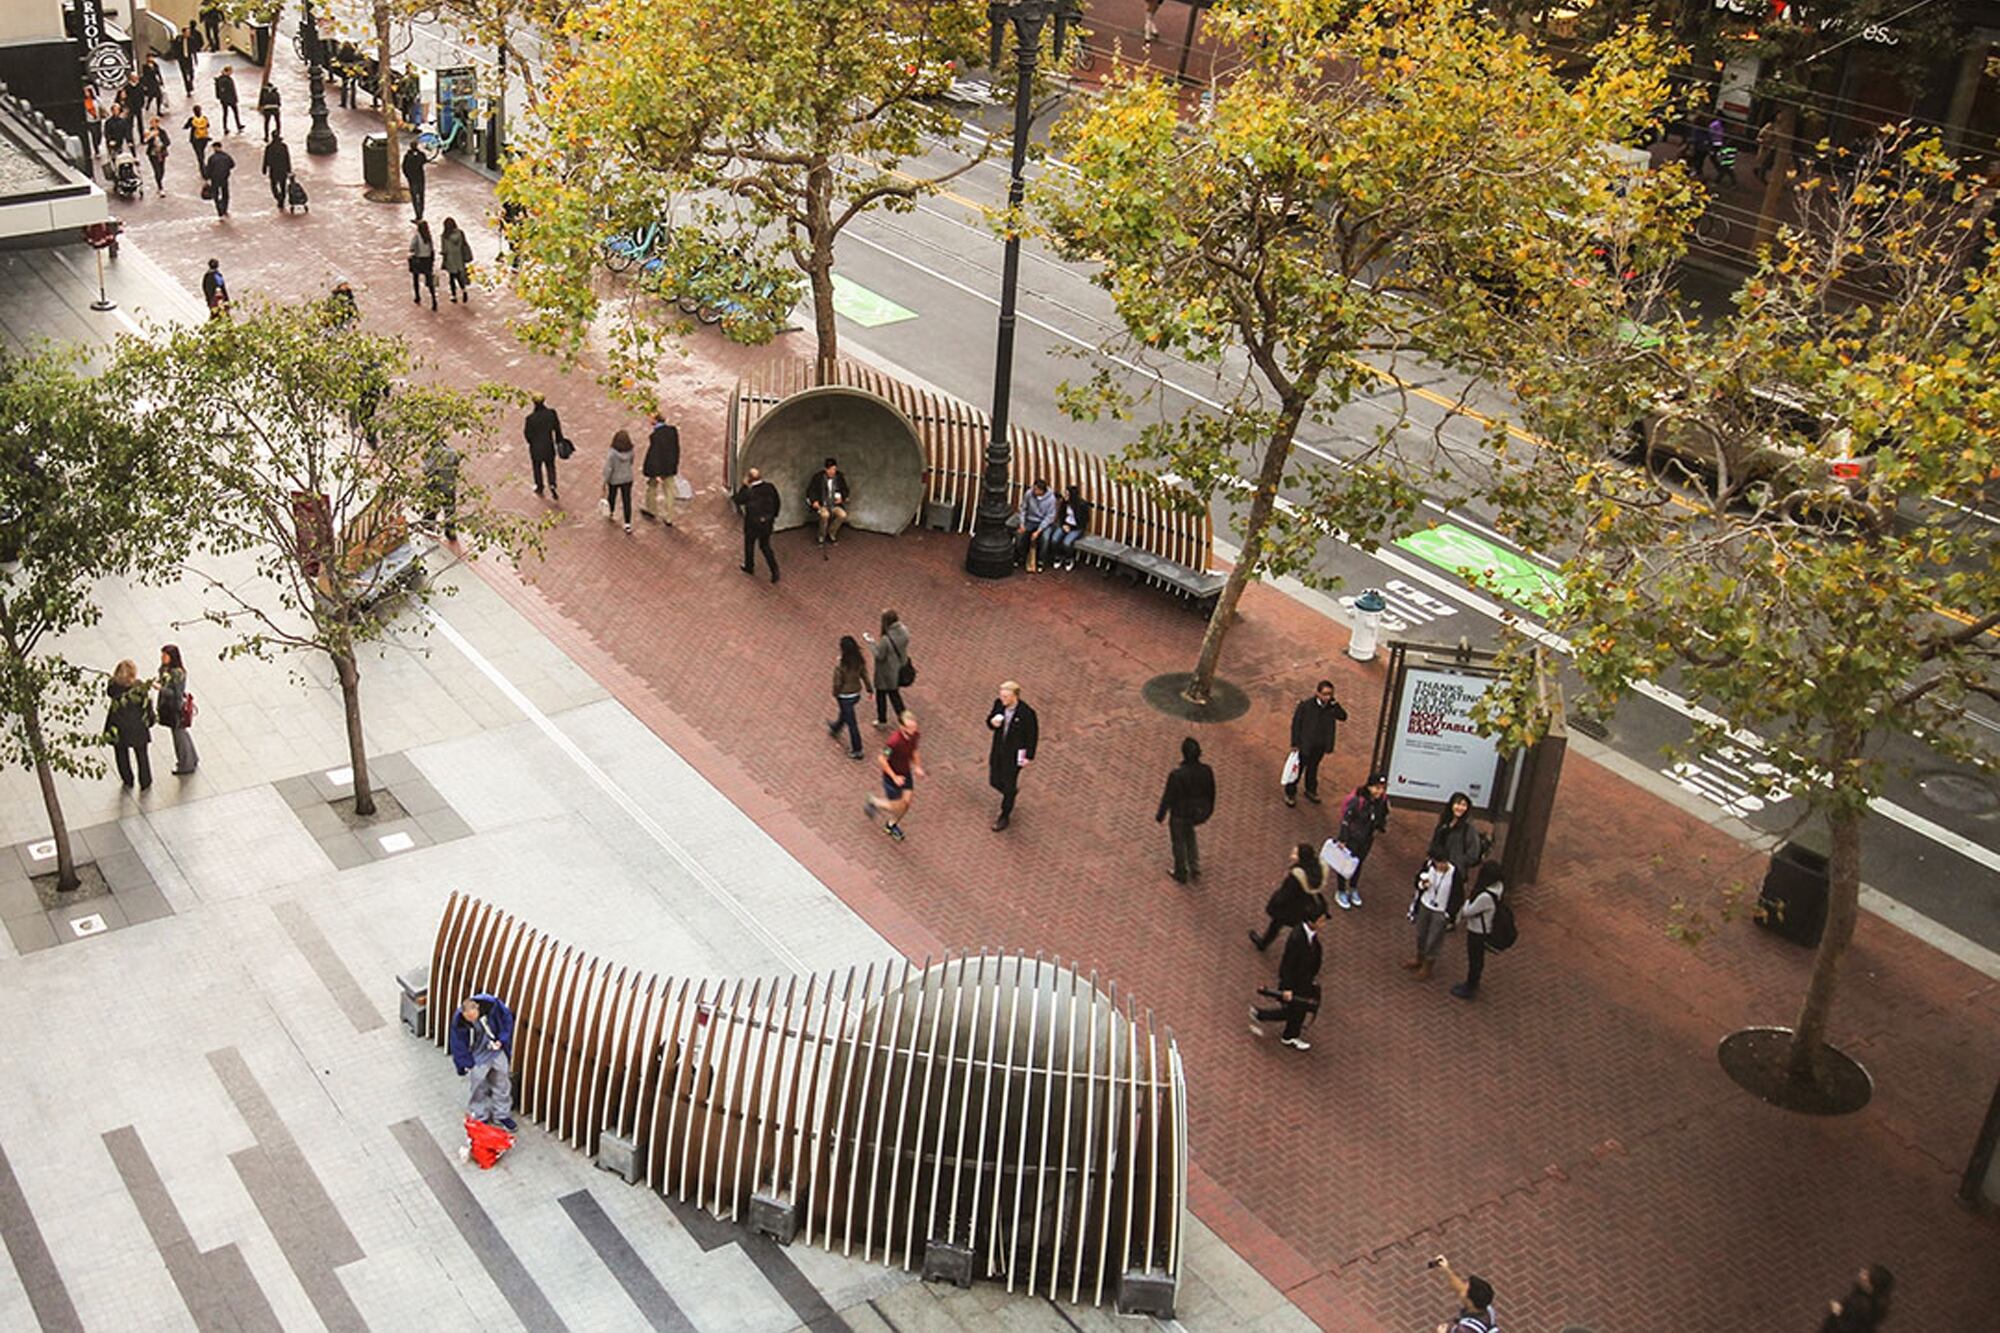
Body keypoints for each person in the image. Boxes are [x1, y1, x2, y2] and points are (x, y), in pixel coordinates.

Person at [1249, 899, 1325, 1051]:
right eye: (1321, 920)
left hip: (1304, 981)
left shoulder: (1309, 935)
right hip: (1296, 983)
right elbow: (1288, 965)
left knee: (1295, 1010)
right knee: (1296, 1010)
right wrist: (1287, 988)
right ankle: (1286, 1033)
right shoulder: (1297, 938)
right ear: (1311, 921)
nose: (1323, 923)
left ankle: (1266, 1019)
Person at [448, 994, 518, 1131]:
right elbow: (458, 1042)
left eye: (473, 1017)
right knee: (478, 1087)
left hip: (496, 1051)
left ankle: (502, 1115)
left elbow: (507, 1021)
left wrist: (502, 1040)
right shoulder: (460, 1020)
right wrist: (464, 1063)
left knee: (502, 1084)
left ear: (478, 1008)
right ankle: (480, 1115)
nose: (472, 1021)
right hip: (477, 1056)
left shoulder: (494, 1006)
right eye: (468, 1019)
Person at [1156, 737, 1215, 884]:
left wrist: (1161, 815)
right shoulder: (1206, 771)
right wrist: (1207, 810)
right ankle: (1194, 866)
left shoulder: (1177, 775)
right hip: (1197, 812)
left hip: (1180, 813)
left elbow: (1168, 797)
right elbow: (1211, 793)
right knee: (1190, 834)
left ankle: (1181, 871)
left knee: (1178, 841)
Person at [1283, 679, 1348, 807]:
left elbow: (1343, 717)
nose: (1327, 697)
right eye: (1325, 694)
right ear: (1317, 693)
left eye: (1330, 694)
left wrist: (1336, 705)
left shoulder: (1332, 707)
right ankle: (1290, 793)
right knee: (1297, 769)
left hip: (1320, 745)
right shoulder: (1306, 706)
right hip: (1305, 745)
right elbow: (1296, 724)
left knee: (1313, 768)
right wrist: (1295, 743)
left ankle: (1310, 790)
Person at [1250, 842, 1327, 950]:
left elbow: (1286, 894)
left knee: (1276, 925)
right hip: (1306, 906)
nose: (1292, 855)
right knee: (1302, 930)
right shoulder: (1317, 869)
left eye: (1295, 854)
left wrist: (1275, 901)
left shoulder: (1297, 876)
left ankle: (1263, 944)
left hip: (1290, 906)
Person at [1329, 773, 1390, 909]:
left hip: (1367, 838)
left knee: (1358, 863)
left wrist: (1379, 827)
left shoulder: (1382, 800)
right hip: (1352, 838)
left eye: (1382, 788)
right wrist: (1343, 839)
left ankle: (1353, 888)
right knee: (1344, 863)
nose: (1380, 791)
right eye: (1377, 788)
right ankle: (1341, 890)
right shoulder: (1358, 800)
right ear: (1369, 787)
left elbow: (1383, 815)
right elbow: (1346, 820)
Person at [985, 680, 1038, 832]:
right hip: (998, 750)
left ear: (1014, 696)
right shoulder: (999, 705)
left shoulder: (1026, 713)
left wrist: (1028, 756)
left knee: (1009, 783)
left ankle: (1005, 814)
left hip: (1014, 755)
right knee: (994, 780)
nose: (1002, 699)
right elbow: (989, 721)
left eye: (1005, 697)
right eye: (1001, 696)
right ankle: (1011, 793)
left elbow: (1032, 736)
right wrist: (992, 723)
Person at [865, 710, 925, 842]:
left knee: (906, 804)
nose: (913, 730)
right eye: (910, 727)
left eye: (914, 727)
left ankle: (891, 824)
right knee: (899, 805)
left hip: (905, 773)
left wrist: (917, 766)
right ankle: (874, 802)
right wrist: (894, 777)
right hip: (892, 777)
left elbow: (914, 750)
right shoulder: (894, 742)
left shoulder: (915, 735)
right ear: (902, 727)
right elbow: (882, 759)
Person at [1452, 863, 1504, 1000]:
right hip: (1485, 929)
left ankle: (1470, 986)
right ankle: (1473, 982)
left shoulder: (1485, 897)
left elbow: (1467, 911)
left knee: (1474, 958)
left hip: (1478, 931)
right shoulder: (1498, 888)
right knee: (1477, 958)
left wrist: (1467, 901)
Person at [1427, 791, 1482, 913]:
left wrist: (1459, 862)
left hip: (1455, 873)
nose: (1460, 808)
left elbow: (1474, 853)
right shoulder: (1444, 822)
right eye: (1457, 804)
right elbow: (1435, 841)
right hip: (1437, 867)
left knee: (1450, 904)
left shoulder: (1468, 828)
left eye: (1464, 805)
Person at [104, 660, 155, 791]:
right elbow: (146, 705)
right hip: (137, 726)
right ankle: (145, 780)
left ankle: (127, 779)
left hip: (118, 726)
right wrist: (151, 719)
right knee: (142, 755)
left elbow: (109, 692)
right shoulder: (139, 687)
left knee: (121, 754)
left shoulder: (113, 686)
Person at [1405, 853, 1456, 980]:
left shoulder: (1454, 874)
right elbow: (1417, 882)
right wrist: (1422, 885)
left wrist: (1448, 914)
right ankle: (1419, 958)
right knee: (1421, 934)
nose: (1440, 866)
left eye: (1443, 863)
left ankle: (1428, 966)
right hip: (1426, 904)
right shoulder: (1429, 867)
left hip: (1440, 910)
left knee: (1434, 939)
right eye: (1437, 863)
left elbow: (1457, 895)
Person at [155, 644, 198, 775]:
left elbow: (176, 694)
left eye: (165, 655)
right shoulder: (165, 669)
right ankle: (192, 758)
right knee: (182, 733)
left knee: (179, 736)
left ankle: (185, 764)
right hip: (170, 708)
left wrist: (160, 688)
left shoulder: (177, 673)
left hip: (175, 709)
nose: (162, 657)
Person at [827, 635, 872, 760]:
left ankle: (858, 750)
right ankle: (835, 728)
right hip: (855, 694)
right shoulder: (859, 661)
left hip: (844, 695)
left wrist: (835, 693)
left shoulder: (841, 664)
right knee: (846, 713)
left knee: (852, 723)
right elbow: (865, 675)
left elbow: (837, 682)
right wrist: (869, 689)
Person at [733, 466, 781, 582]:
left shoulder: (749, 492)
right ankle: (774, 570)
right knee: (765, 546)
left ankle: (749, 566)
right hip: (767, 523)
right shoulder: (770, 487)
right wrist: (773, 517)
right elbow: (777, 502)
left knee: (749, 544)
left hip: (752, 524)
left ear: (749, 479)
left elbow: (737, 499)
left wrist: (744, 486)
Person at [1430, 1257, 1498, 1333]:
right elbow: (1460, 1288)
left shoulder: (1465, 1330)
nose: (1461, 1288)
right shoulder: (1487, 1308)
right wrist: (1446, 1270)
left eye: (1464, 1290)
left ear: (1470, 1301)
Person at [1820, 1263, 1893, 1332]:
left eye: (1865, 1275)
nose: (1862, 1271)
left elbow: (1847, 1328)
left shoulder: (1858, 1304)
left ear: (1870, 1287)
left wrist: (1837, 1312)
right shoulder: (1880, 1302)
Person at [869, 610, 911, 726]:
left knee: (881, 696)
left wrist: (871, 643)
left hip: (885, 673)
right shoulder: (904, 631)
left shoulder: (886, 639)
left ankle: (882, 720)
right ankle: (905, 719)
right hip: (898, 668)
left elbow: (880, 655)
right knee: (894, 695)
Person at [640, 409, 679, 525]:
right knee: (669, 491)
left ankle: (652, 509)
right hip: (670, 467)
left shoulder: (656, 436)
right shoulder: (672, 431)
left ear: (655, 420)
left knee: (651, 487)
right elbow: (676, 450)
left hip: (658, 468)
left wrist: (657, 473)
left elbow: (655, 455)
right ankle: (669, 517)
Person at [1011, 478, 1058, 569]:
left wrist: (1038, 531)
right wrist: (1022, 524)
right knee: (1020, 536)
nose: (1034, 491)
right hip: (1030, 520)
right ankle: (1021, 557)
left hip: (1043, 523)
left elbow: (1049, 517)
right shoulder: (1029, 494)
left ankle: (1041, 561)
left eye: (1036, 489)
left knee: (1045, 538)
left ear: (1042, 491)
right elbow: (1023, 509)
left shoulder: (1051, 499)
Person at [523, 394, 563, 500]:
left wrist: (532, 442)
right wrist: (559, 440)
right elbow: (557, 428)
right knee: (550, 465)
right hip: (549, 445)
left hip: (536, 448)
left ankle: (539, 486)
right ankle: (552, 483)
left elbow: (527, 435)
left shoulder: (530, 419)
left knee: (537, 467)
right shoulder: (551, 413)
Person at [805, 456, 850, 545]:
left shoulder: (839, 477)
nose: (833, 472)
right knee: (825, 515)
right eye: (831, 469)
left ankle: (831, 533)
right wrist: (814, 501)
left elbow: (845, 489)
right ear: (826, 469)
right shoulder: (818, 477)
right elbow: (811, 490)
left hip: (834, 504)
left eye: (834, 469)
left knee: (843, 515)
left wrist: (842, 498)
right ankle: (821, 537)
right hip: (823, 504)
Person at [1047, 484, 1090, 569]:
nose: (1065, 496)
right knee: (1054, 539)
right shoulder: (1064, 503)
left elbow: (1084, 521)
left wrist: (1071, 528)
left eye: (1067, 494)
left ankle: (1069, 559)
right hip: (1065, 524)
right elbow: (1061, 515)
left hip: (1076, 528)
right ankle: (1057, 557)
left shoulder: (1082, 505)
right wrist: (1063, 524)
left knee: (1067, 543)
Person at [425, 442, 460, 541]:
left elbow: (427, 470)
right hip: (449, 486)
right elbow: (456, 469)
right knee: (450, 511)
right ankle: (450, 533)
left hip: (435, 487)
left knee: (431, 509)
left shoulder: (433, 453)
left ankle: (428, 527)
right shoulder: (453, 453)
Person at [603, 429, 635, 532]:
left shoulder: (612, 452)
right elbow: (631, 461)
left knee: (612, 495)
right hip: (627, 478)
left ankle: (611, 512)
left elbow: (609, 468)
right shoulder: (631, 450)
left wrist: (605, 480)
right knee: (627, 500)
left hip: (614, 479)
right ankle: (627, 523)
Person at [438, 217, 473, 303]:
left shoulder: (445, 236)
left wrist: (443, 256)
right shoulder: (460, 233)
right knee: (459, 276)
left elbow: (444, 249)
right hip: (459, 258)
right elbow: (464, 244)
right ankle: (464, 290)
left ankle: (453, 295)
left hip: (450, 259)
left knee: (452, 278)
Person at [408, 219, 438, 309]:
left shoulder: (417, 236)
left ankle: (417, 297)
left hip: (418, 260)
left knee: (415, 279)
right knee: (430, 280)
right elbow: (432, 249)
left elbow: (411, 247)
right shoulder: (428, 236)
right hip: (428, 260)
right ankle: (434, 299)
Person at [201, 141, 234, 218]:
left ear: (214, 148)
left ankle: (219, 211)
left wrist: (206, 178)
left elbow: (208, 170)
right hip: (224, 178)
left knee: (216, 195)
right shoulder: (226, 156)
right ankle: (225, 209)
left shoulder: (212, 158)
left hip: (214, 179)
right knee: (225, 194)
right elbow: (232, 165)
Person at [260, 130, 290, 210]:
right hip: (283, 169)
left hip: (273, 169)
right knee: (283, 186)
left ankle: (278, 197)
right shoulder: (283, 146)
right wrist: (289, 169)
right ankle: (282, 199)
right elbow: (287, 158)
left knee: (273, 185)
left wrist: (264, 168)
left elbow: (266, 159)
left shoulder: (269, 147)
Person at [143, 117, 170, 196]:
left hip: (161, 153)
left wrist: (162, 145)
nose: (154, 124)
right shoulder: (148, 132)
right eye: (152, 123)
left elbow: (167, 142)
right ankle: (160, 187)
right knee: (157, 170)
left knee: (162, 170)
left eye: (155, 122)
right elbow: (145, 141)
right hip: (153, 154)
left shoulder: (162, 131)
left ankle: (159, 180)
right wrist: (150, 136)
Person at [213, 65, 242, 134]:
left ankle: (236, 126)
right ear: (228, 71)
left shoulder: (224, 78)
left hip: (228, 99)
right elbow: (224, 91)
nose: (231, 73)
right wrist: (232, 99)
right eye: (231, 71)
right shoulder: (224, 80)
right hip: (228, 99)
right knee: (229, 113)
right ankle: (229, 127)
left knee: (227, 113)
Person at [402, 142, 427, 219]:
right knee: (421, 196)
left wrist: (408, 176)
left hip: (412, 179)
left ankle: (417, 214)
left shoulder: (407, 156)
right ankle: (420, 213)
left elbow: (404, 167)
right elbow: (424, 160)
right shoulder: (421, 155)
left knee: (415, 197)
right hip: (420, 178)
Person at [183, 104, 210, 171]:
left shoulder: (192, 119)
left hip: (195, 139)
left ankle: (202, 165)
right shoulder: (204, 118)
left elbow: (186, 127)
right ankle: (202, 163)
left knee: (198, 152)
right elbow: (208, 125)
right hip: (204, 138)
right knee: (202, 151)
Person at [81, 86, 103, 160]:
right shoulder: (85, 101)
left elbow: (101, 106)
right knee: (94, 135)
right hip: (90, 121)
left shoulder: (96, 99)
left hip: (98, 119)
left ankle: (98, 145)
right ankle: (97, 151)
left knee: (99, 134)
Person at [174, 29, 197, 97]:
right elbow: (175, 48)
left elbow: (194, 49)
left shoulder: (191, 39)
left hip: (189, 59)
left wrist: (195, 59)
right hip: (182, 59)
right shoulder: (179, 39)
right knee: (184, 74)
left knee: (191, 73)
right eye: (187, 32)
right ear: (183, 33)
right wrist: (177, 57)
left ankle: (190, 83)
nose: (188, 34)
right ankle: (188, 90)